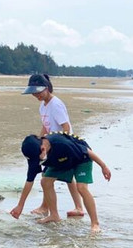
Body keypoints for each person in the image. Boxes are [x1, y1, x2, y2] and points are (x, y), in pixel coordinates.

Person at [19, 74, 85, 218]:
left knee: (50, 178)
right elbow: (46, 126)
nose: (36, 95)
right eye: (33, 92)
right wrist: (39, 141)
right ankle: (54, 207)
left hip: (62, 145)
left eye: (38, 91)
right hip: (50, 145)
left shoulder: (56, 105)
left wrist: (64, 145)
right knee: (55, 177)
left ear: (47, 88)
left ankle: (57, 207)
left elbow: (66, 127)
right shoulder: (43, 106)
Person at [19, 132, 111, 233]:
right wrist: (20, 206)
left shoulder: (61, 143)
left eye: (37, 159)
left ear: (43, 149)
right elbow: (29, 181)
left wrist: (103, 166)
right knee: (45, 182)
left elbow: (88, 152)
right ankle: (54, 215)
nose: (37, 162)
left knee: (81, 188)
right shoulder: (34, 154)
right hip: (61, 161)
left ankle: (95, 223)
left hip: (81, 158)